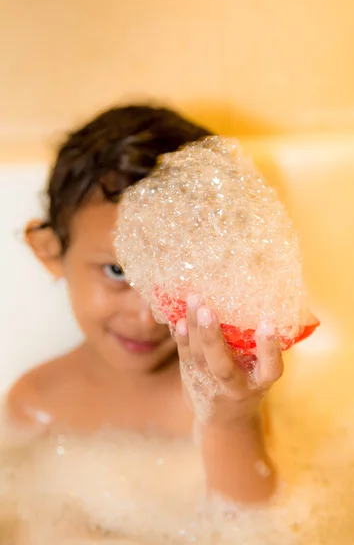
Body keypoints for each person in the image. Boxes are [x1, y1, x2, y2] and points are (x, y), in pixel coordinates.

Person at [6, 105, 284, 504]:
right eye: (118, 271)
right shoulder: (36, 402)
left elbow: (255, 522)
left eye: (178, 276)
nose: (148, 313)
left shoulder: (222, 397)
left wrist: (228, 422)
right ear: (50, 252)